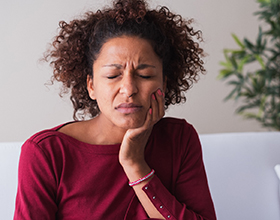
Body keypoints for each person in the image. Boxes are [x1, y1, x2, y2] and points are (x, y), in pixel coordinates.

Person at [14, 0, 216, 219]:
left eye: (145, 75)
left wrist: (135, 163)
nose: (128, 89)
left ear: (164, 84)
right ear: (91, 85)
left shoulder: (179, 139)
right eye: (112, 76)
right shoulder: (47, 153)